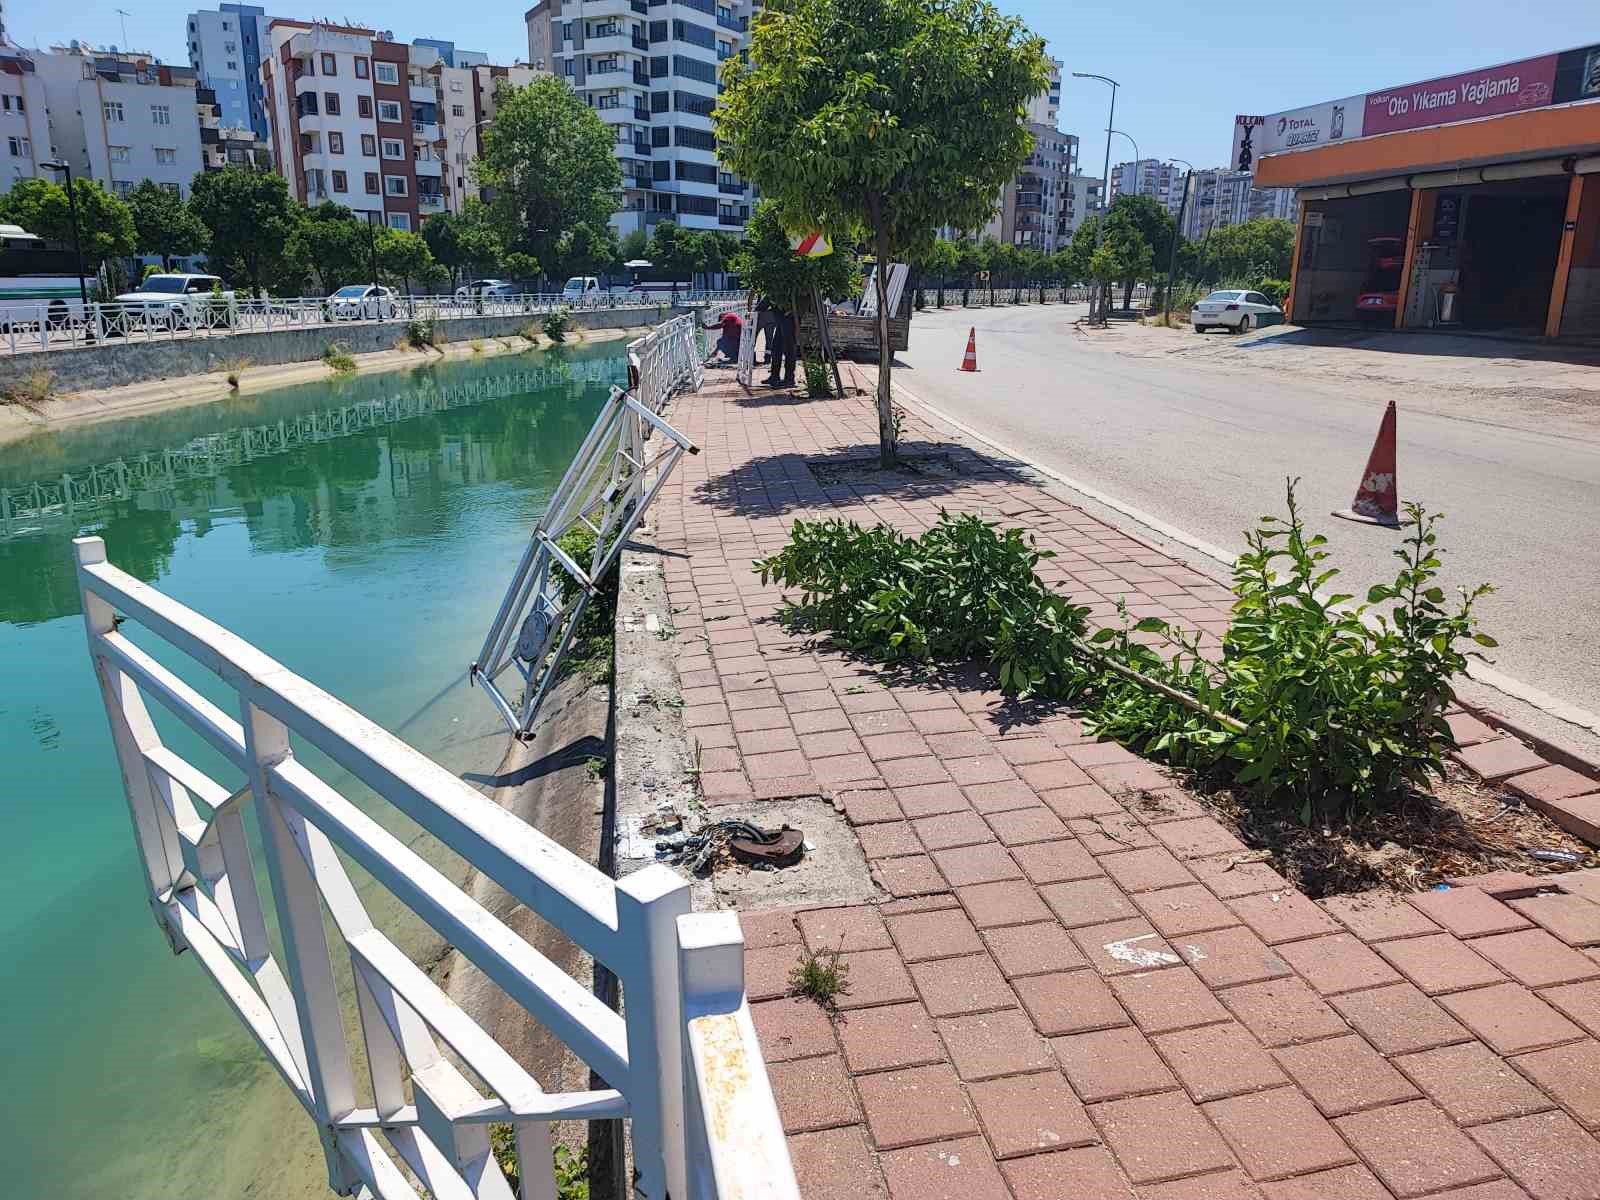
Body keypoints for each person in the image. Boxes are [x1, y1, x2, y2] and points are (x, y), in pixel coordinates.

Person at [765, 302, 797, 388]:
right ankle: (774, 376)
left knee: (789, 349)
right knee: (776, 348)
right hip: (782, 318)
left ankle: (789, 379)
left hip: (788, 316)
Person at [755, 296, 777, 364]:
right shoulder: (777, 296)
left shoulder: (768, 295)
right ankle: (767, 359)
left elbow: (759, 307)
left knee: (753, 338)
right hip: (771, 319)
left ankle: (752, 358)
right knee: (769, 340)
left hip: (761, 317)